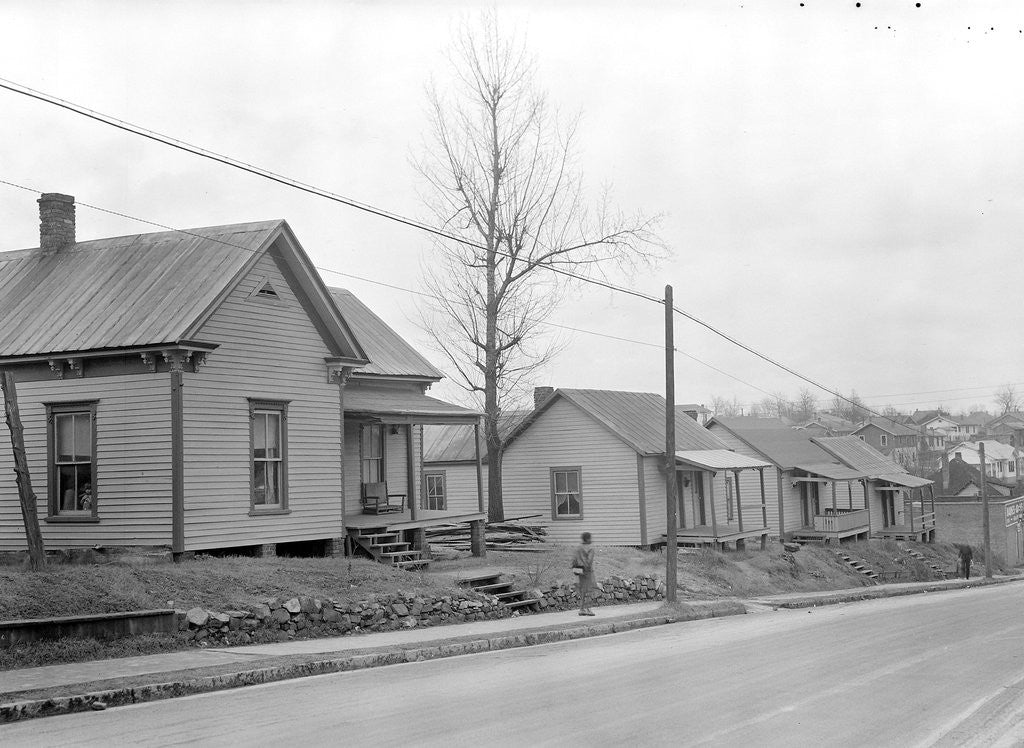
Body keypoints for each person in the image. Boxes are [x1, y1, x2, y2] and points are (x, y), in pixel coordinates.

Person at [572, 532, 596, 616]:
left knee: (582, 591)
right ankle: (588, 609)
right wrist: (588, 570)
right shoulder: (590, 548)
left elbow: (574, 560)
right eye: (590, 537)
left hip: (579, 571)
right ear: (588, 538)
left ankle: (581, 609)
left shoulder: (579, 548)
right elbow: (589, 561)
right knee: (589, 590)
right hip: (587, 572)